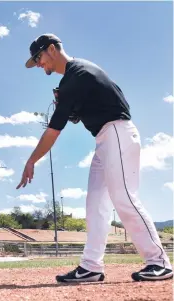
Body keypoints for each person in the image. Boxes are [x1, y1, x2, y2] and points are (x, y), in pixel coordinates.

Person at [17, 33, 173, 282]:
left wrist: (31, 160)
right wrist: (76, 107)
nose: (38, 64)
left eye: (38, 57)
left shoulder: (76, 75)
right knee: (96, 204)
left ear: (52, 49)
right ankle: (91, 266)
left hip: (117, 133)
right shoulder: (79, 73)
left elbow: (54, 130)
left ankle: (159, 261)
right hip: (105, 137)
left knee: (124, 198)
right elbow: (112, 95)